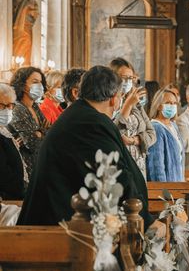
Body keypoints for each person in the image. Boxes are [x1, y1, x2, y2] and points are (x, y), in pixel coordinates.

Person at [17, 66, 155, 229]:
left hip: (63, 223)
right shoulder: (90, 123)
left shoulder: (80, 116)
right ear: (113, 98)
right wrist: (146, 221)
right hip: (60, 230)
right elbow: (114, 176)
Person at [110, 58, 156, 179]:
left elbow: (152, 134)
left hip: (139, 164)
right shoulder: (107, 102)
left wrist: (135, 140)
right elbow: (112, 132)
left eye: (130, 78)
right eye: (123, 77)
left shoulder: (136, 104)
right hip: (118, 164)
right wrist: (127, 106)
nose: (127, 82)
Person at [9, 66, 48, 178]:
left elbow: (50, 134)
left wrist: (39, 133)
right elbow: (32, 144)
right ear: (23, 85)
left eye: (41, 82)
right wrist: (42, 132)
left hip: (39, 166)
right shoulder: (17, 109)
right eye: (35, 82)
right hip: (25, 169)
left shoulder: (35, 106)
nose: (39, 86)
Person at [147, 88, 184, 182]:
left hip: (177, 184)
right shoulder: (156, 128)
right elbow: (156, 165)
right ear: (159, 106)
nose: (172, 106)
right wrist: (162, 191)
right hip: (166, 189)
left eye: (174, 103)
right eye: (168, 103)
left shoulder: (173, 125)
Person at [0, 83, 26, 200]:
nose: (7, 110)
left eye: (10, 105)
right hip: (8, 199)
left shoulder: (3, 129)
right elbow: (4, 175)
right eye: (1, 106)